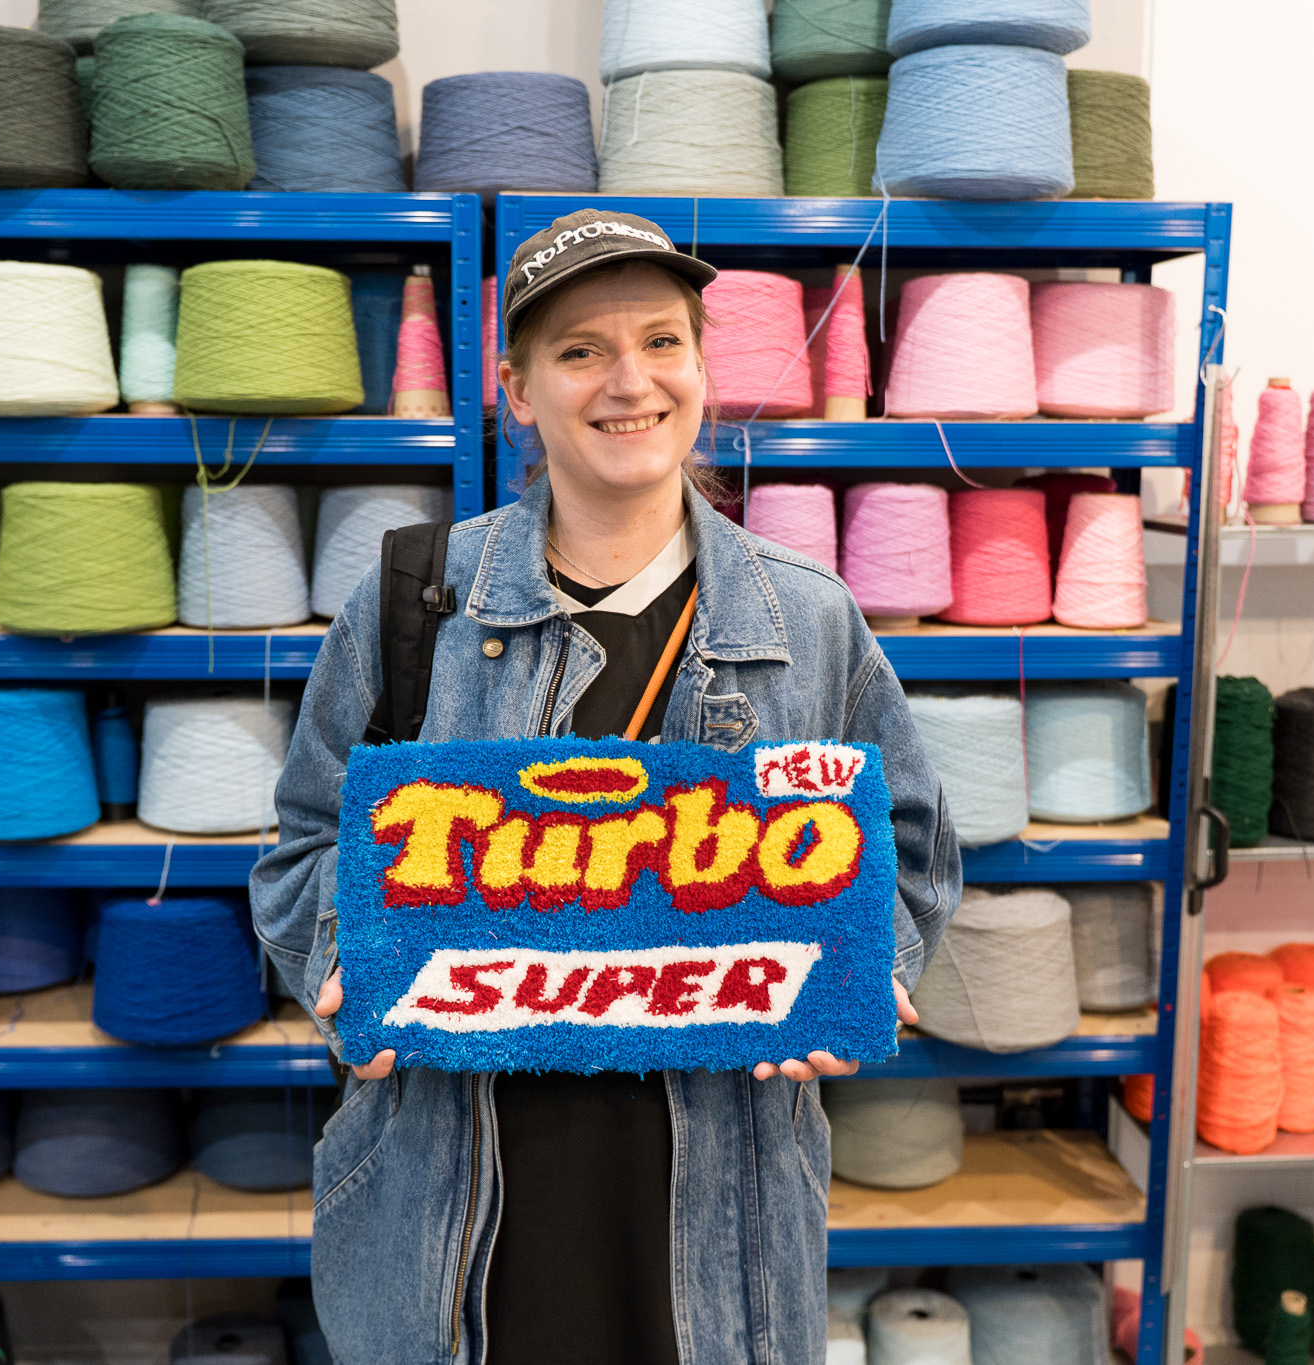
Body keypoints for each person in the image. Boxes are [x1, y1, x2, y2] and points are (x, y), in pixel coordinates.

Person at [251, 208, 962, 1364]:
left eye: (663, 342)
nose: (630, 381)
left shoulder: (808, 617)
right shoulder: (410, 601)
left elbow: (911, 852)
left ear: (699, 366)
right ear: (517, 389)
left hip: (716, 1198)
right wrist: (345, 963)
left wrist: (857, 975)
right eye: (580, 349)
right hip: (453, 1187)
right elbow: (300, 846)